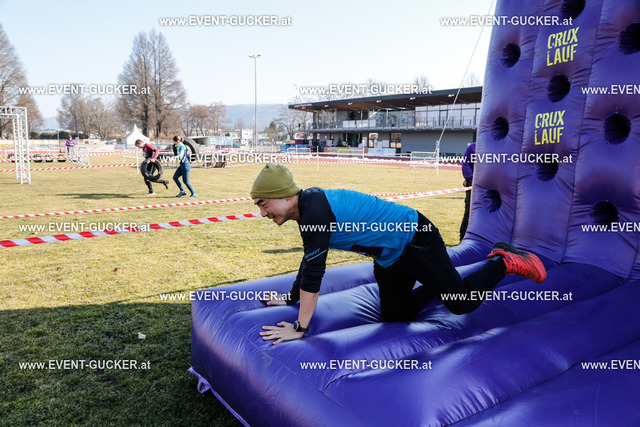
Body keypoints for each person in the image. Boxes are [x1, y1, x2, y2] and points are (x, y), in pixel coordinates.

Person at [251, 164, 546, 345]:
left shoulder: (314, 209)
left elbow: (315, 272)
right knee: (396, 316)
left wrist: (300, 327)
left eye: (264, 204)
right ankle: (438, 282)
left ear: (286, 195)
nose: (262, 213)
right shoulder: (307, 210)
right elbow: (309, 261)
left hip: (417, 240)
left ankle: (502, 260)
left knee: (461, 303)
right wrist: (290, 297)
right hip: (390, 258)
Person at [460, 142, 476, 241]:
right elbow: (466, 165)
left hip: (492, 188)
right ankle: (463, 238)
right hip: (473, 187)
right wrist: (473, 180)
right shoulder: (473, 147)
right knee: (469, 213)